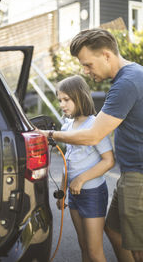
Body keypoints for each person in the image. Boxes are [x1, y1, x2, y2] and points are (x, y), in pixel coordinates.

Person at [39, 28, 143, 262]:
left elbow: (93, 136)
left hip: (139, 175)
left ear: (106, 55)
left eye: (88, 64)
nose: (85, 72)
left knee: (138, 246)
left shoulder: (127, 83)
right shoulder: (133, 75)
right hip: (131, 173)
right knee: (114, 230)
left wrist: (48, 134)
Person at [52, 75, 114, 262]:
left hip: (93, 193)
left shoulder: (94, 125)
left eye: (66, 100)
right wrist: (63, 190)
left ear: (79, 97)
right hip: (73, 193)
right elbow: (67, 162)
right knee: (83, 245)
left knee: (95, 251)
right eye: (60, 100)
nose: (62, 104)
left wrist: (81, 179)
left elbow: (108, 161)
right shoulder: (67, 126)